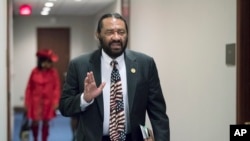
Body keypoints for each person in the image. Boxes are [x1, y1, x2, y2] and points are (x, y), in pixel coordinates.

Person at [59, 13, 170, 141]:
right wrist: (85, 98)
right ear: (98, 34)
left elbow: (158, 113)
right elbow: (64, 107)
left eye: (121, 32)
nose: (116, 37)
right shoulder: (79, 65)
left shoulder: (145, 64)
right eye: (109, 32)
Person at [25, 49, 61, 141]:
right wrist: (27, 102)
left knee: (46, 121)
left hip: (48, 102)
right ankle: (35, 138)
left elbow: (56, 88)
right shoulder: (34, 71)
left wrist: (56, 101)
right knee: (35, 121)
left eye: (50, 62)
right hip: (35, 101)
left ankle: (44, 139)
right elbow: (29, 88)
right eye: (47, 62)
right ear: (42, 62)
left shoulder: (53, 72)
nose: (49, 64)